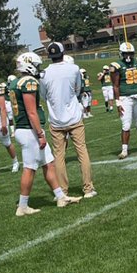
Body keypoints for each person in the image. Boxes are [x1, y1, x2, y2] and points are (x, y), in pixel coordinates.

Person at [8, 52, 81, 215]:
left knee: (48, 163)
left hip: (25, 128)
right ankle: (23, 206)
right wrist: (40, 134)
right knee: (29, 168)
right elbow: (31, 111)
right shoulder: (28, 82)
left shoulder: (15, 82)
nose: (38, 68)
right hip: (29, 130)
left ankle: (61, 197)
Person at [40, 41, 97, 197]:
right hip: (74, 117)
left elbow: (43, 95)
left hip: (56, 119)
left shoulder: (44, 74)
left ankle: (63, 191)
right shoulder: (74, 69)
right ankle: (88, 188)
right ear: (63, 53)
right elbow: (78, 89)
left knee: (59, 156)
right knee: (82, 151)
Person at [110, 41, 137, 159]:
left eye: (130, 53)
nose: (128, 56)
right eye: (126, 53)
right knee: (126, 124)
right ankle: (124, 150)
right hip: (125, 98)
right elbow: (115, 86)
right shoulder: (116, 65)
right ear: (121, 53)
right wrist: (118, 103)